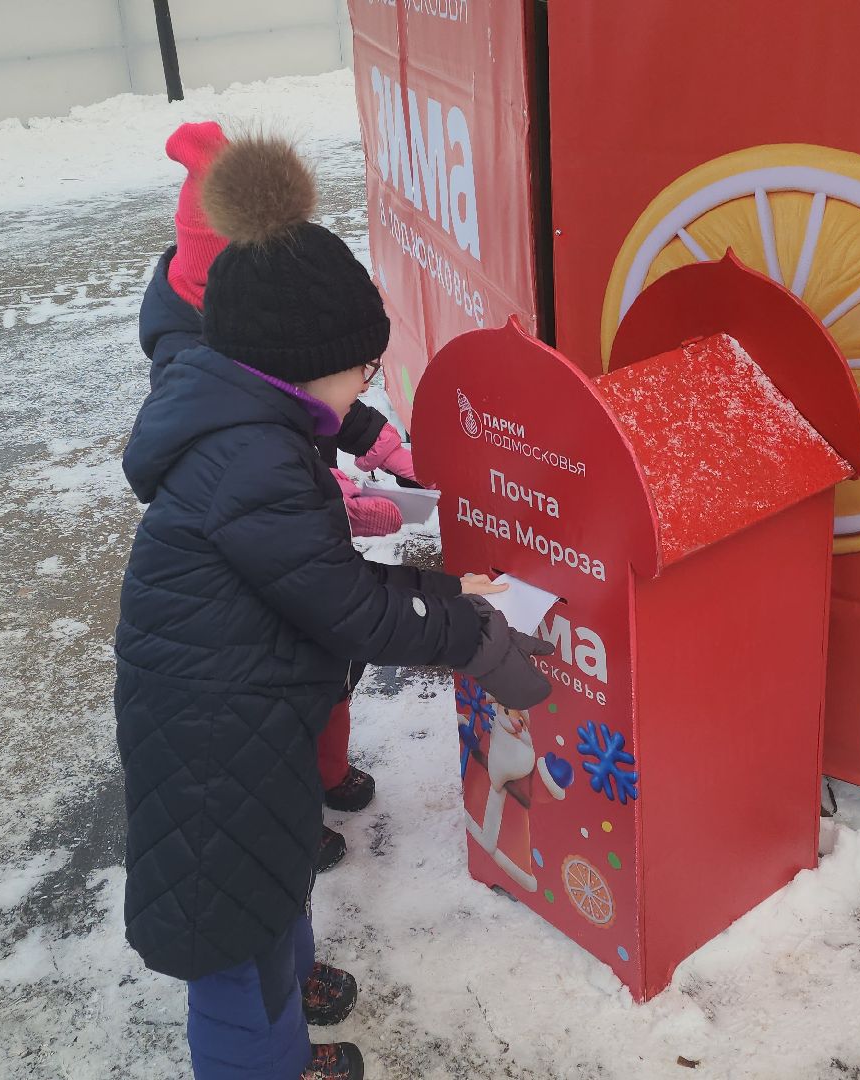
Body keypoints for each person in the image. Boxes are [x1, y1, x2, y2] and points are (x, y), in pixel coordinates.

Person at [115, 131, 553, 1080]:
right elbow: (348, 606)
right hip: (214, 736)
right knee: (232, 938)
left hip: (242, 709)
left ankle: (292, 970)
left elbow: (315, 578)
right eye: (360, 369)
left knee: (267, 877)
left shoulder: (246, 417)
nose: (368, 386)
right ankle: (267, 1061)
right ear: (299, 366)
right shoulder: (258, 463)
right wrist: (467, 627)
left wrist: (441, 585)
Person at [135, 121, 418, 873]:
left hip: (292, 515)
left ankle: (327, 770)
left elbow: (319, 390)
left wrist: (379, 444)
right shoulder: (193, 354)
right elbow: (239, 471)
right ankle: (298, 801)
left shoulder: (268, 341)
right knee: (290, 683)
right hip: (265, 549)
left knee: (326, 666)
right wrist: (333, 497)